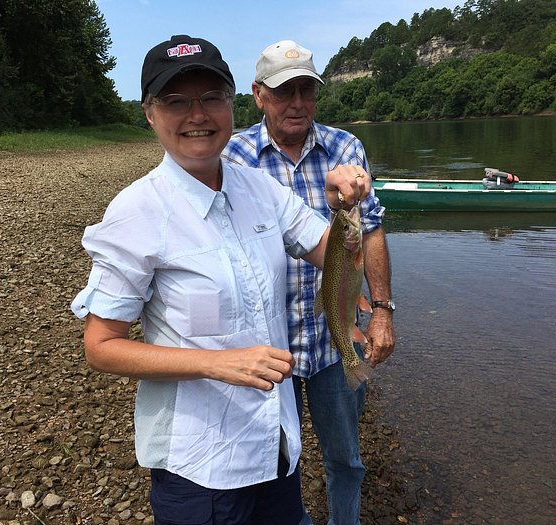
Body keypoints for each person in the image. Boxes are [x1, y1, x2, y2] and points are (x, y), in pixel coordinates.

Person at [70, 35, 371, 525]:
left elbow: (328, 251)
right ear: (150, 113)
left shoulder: (259, 188)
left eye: (211, 98)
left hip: (275, 444)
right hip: (200, 464)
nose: (197, 115)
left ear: (231, 105)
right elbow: (101, 346)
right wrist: (215, 363)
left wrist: (344, 206)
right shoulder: (135, 212)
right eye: (176, 101)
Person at [222, 40, 396, 525]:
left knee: (346, 459)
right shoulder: (232, 155)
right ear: (258, 95)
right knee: (278, 462)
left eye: (306, 90)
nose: (297, 103)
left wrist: (381, 310)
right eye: (284, 91)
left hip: (330, 338)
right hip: (267, 345)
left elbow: (373, 229)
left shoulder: (345, 147)